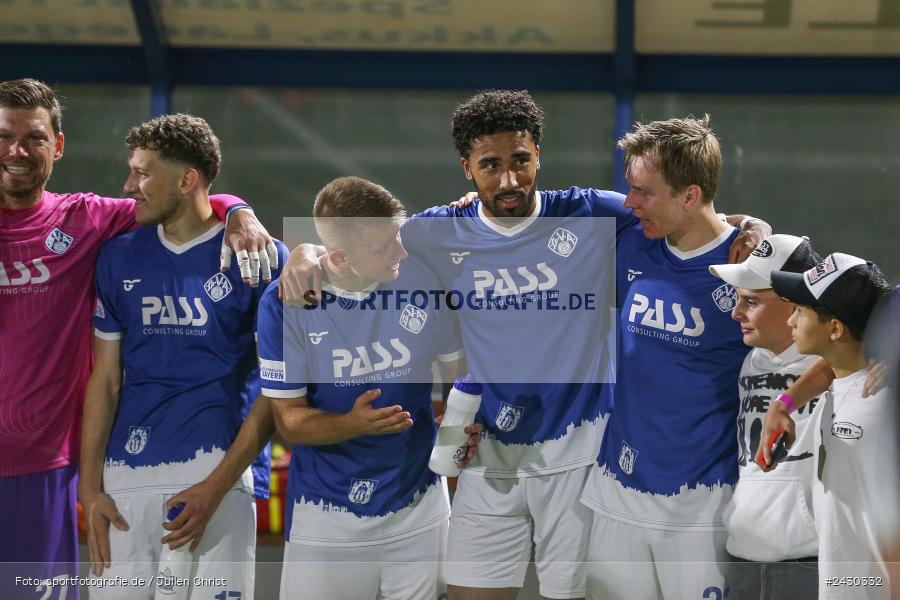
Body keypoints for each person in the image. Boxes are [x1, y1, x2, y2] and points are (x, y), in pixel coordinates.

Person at [280, 92, 770, 600]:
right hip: (485, 454)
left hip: (577, 456)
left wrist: (752, 226)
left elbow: (687, 211)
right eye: (490, 165)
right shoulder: (434, 231)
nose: (509, 179)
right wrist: (305, 252)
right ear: (466, 167)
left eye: (521, 160)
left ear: (538, 155)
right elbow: (361, 241)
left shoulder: (589, 214)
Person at [0, 78, 275, 599]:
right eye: (4, 136)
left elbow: (188, 203)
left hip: (40, 470)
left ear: (57, 146)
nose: (17, 151)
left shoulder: (87, 222)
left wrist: (241, 210)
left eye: (34, 138)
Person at [78, 113, 289, 599]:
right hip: (125, 480)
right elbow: (105, 381)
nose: (128, 186)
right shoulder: (117, 255)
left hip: (218, 480)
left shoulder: (260, 257)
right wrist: (91, 489)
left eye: (143, 173)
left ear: (187, 179)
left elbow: (279, 389)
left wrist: (217, 487)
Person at [255, 176, 479, 599]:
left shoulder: (421, 278)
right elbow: (289, 423)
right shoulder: (286, 302)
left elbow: (460, 375)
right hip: (326, 514)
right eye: (384, 247)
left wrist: (458, 424)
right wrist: (353, 423)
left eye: (397, 236)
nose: (401, 251)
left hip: (419, 507)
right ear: (337, 256)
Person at [579, 115, 762, 600]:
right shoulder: (630, 235)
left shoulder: (751, 267)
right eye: (630, 188)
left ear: (690, 195)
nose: (630, 202)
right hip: (617, 486)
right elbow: (526, 214)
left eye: (644, 191)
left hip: (703, 503)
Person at [768, 253, 895, 600]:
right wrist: (784, 403)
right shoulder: (841, 383)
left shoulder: (881, 403)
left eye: (801, 312)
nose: (791, 320)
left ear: (836, 329)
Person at [708, 234, 823, 599]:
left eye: (751, 302)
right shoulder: (751, 359)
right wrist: (747, 224)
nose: (735, 312)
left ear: (794, 306)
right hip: (743, 555)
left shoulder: (842, 362)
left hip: (807, 562)